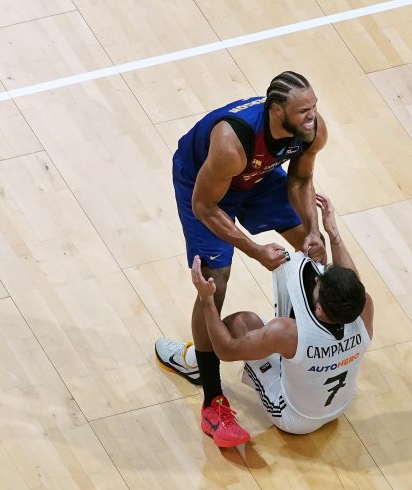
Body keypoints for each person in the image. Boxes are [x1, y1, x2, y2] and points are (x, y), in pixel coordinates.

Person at [155, 71, 329, 439]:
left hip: (257, 177)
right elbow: (203, 206)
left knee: (315, 255)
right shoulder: (231, 142)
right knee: (214, 282)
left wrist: (312, 229)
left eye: (313, 107)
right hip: (204, 186)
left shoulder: (309, 130)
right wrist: (253, 249)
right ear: (276, 110)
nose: (311, 116)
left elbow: (299, 180)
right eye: (303, 111)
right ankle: (211, 395)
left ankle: (305, 350)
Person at [188, 193, 373, 446]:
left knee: (244, 323)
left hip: (295, 418)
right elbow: (352, 280)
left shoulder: (286, 333)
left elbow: (225, 350)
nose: (317, 277)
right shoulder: (363, 308)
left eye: (318, 284)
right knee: (277, 340)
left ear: (319, 310)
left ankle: (199, 362)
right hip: (338, 407)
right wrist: (333, 234)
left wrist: (207, 301)